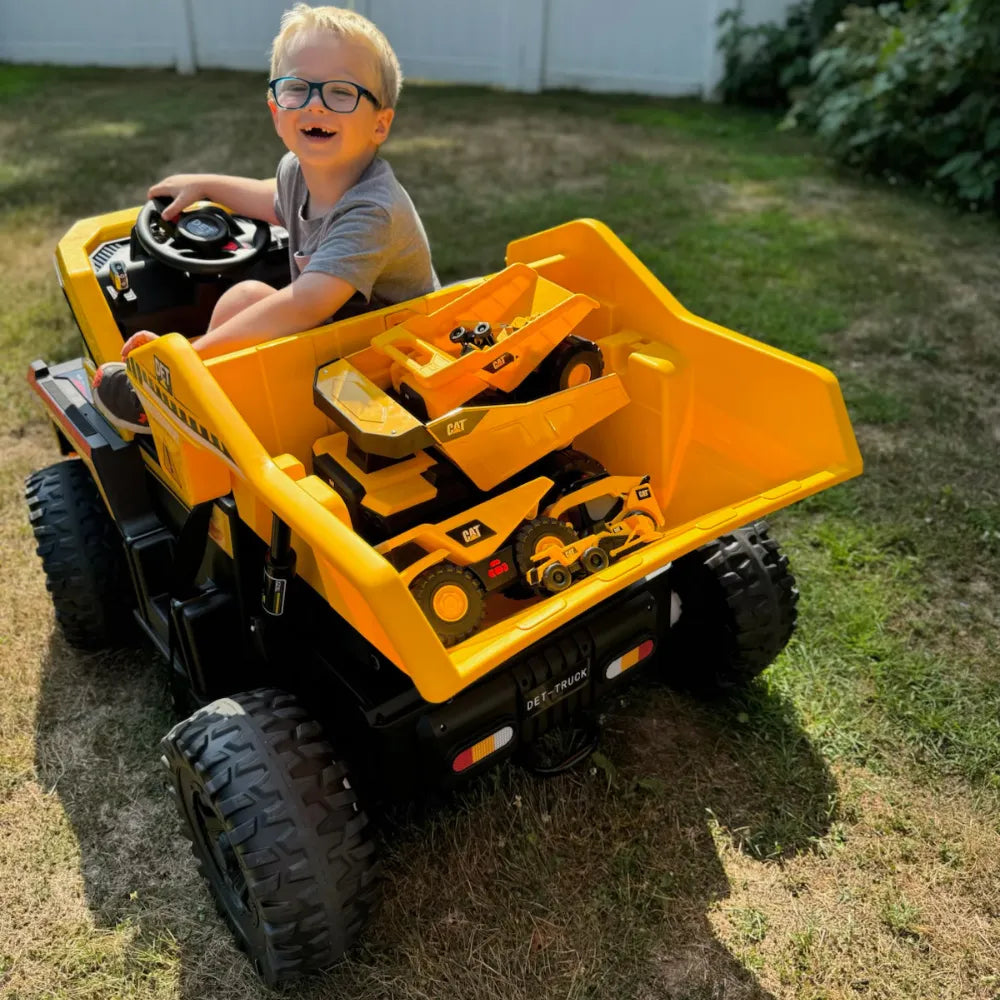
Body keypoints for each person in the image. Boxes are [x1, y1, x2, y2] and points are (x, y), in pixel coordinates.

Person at [93, 3, 438, 434]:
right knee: (244, 297)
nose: (316, 105)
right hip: (337, 342)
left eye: (341, 92)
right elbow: (272, 200)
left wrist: (188, 359)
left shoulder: (373, 211)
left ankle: (183, 385)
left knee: (257, 308)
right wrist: (206, 185)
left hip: (393, 368)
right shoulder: (297, 172)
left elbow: (306, 303)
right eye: (297, 88)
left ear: (380, 125)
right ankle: (199, 396)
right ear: (277, 112)